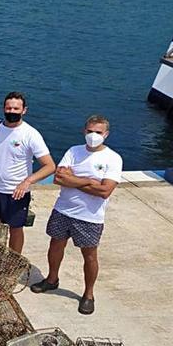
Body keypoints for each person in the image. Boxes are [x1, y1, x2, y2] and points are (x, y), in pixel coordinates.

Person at [30, 115, 122, 315]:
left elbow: (105, 191)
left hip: (90, 217)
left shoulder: (113, 158)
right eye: (90, 131)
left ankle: (88, 294)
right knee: (55, 244)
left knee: (89, 255)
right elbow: (59, 178)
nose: (93, 135)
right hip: (63, 210)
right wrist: (89, 181)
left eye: (98, 132)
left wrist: (74, 180)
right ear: (84, 131)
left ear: (106, 134)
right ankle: (52, 279)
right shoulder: (74, 151)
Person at [0, 91, 56, 253]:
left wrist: (27, 182)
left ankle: (14, 260)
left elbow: (49, 166)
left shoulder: (30, 134)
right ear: (3, 108)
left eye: (16, 109)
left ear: (24, 110)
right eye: (9, 108)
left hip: (15, 193)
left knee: (15, 229)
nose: (11, 111)